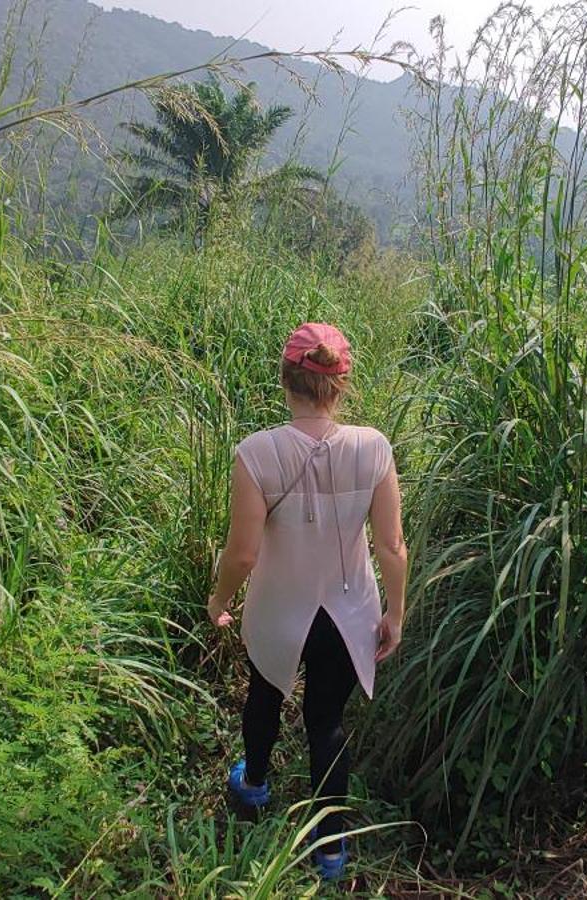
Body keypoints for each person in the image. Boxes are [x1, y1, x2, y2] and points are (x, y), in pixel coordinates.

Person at [205, 321, 408, 882]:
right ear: (341, 385)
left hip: (277, 608)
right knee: (327, 722)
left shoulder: (255, 453)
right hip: (349, 614)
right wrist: (395, 611)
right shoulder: (373, 447)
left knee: (265, 695)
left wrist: (219, 600)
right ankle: (331, 849)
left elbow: (243, 554)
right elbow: (391, 545)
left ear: (285, 380)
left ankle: (254, 786)